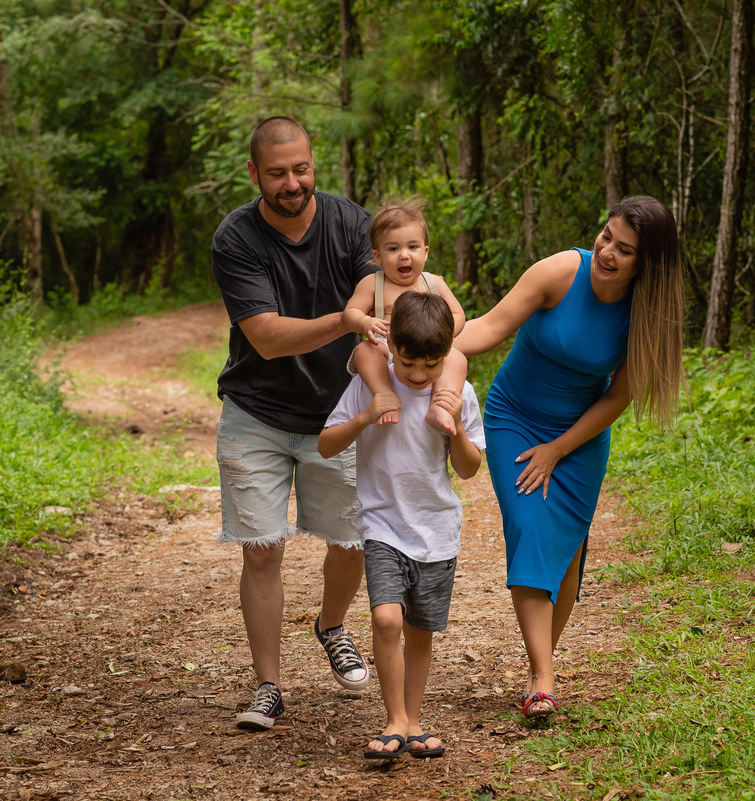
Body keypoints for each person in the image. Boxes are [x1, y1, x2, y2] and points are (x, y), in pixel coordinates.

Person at [453, 195, 685, 720]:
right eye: (606, 236)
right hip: (515, 418)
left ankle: (541, 667)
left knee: (567, 555)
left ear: (646, 265)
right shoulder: (560, 271)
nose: (607, 252)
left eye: (624, 250)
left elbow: (618, 396)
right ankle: (544, 677)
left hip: (579, 439)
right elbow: (487, 328)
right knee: (530, 528)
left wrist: (559, 449)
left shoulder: (646, 314)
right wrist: (423, 344)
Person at [210, 115, 376, 731]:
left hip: (339, 412)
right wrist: (346, 319)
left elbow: (383, 288)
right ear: (254, 172)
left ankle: (331, 625)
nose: (291, 183)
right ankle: (269, 686)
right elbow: (268, 337)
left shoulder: (351, 223)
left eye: (301, 169)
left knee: (352, 541)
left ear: (313, 164)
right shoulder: (236, 237)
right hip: (256, 413)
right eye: (277, 173)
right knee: (261, 549)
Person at [319, 292, 485, 759]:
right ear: (391, 347)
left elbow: (469, 468)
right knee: (386, 618)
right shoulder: (372, 386)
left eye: (431, 365)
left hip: (436, 530)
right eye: (408, 362)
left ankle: (413, 722)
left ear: (447, 354)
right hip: (382, 524)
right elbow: (326, 445)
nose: (417, 375)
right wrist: (366, 415)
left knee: (419, 630)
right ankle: (393, 719)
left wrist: (456, 425)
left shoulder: (457, 393)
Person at [342, 196, 468, 435]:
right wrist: (366, 321)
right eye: (393, 248)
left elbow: (457, 313)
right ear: (377, 256)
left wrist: (443, 333)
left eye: (413, 247)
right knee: (364, 351)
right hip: (386, 348)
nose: (404, 255)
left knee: (457, 358)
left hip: (428, 349)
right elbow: (350, 313)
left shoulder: (433, 283)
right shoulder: (373, 284)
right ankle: (384, 393)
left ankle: (440, 406)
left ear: (426, 252)